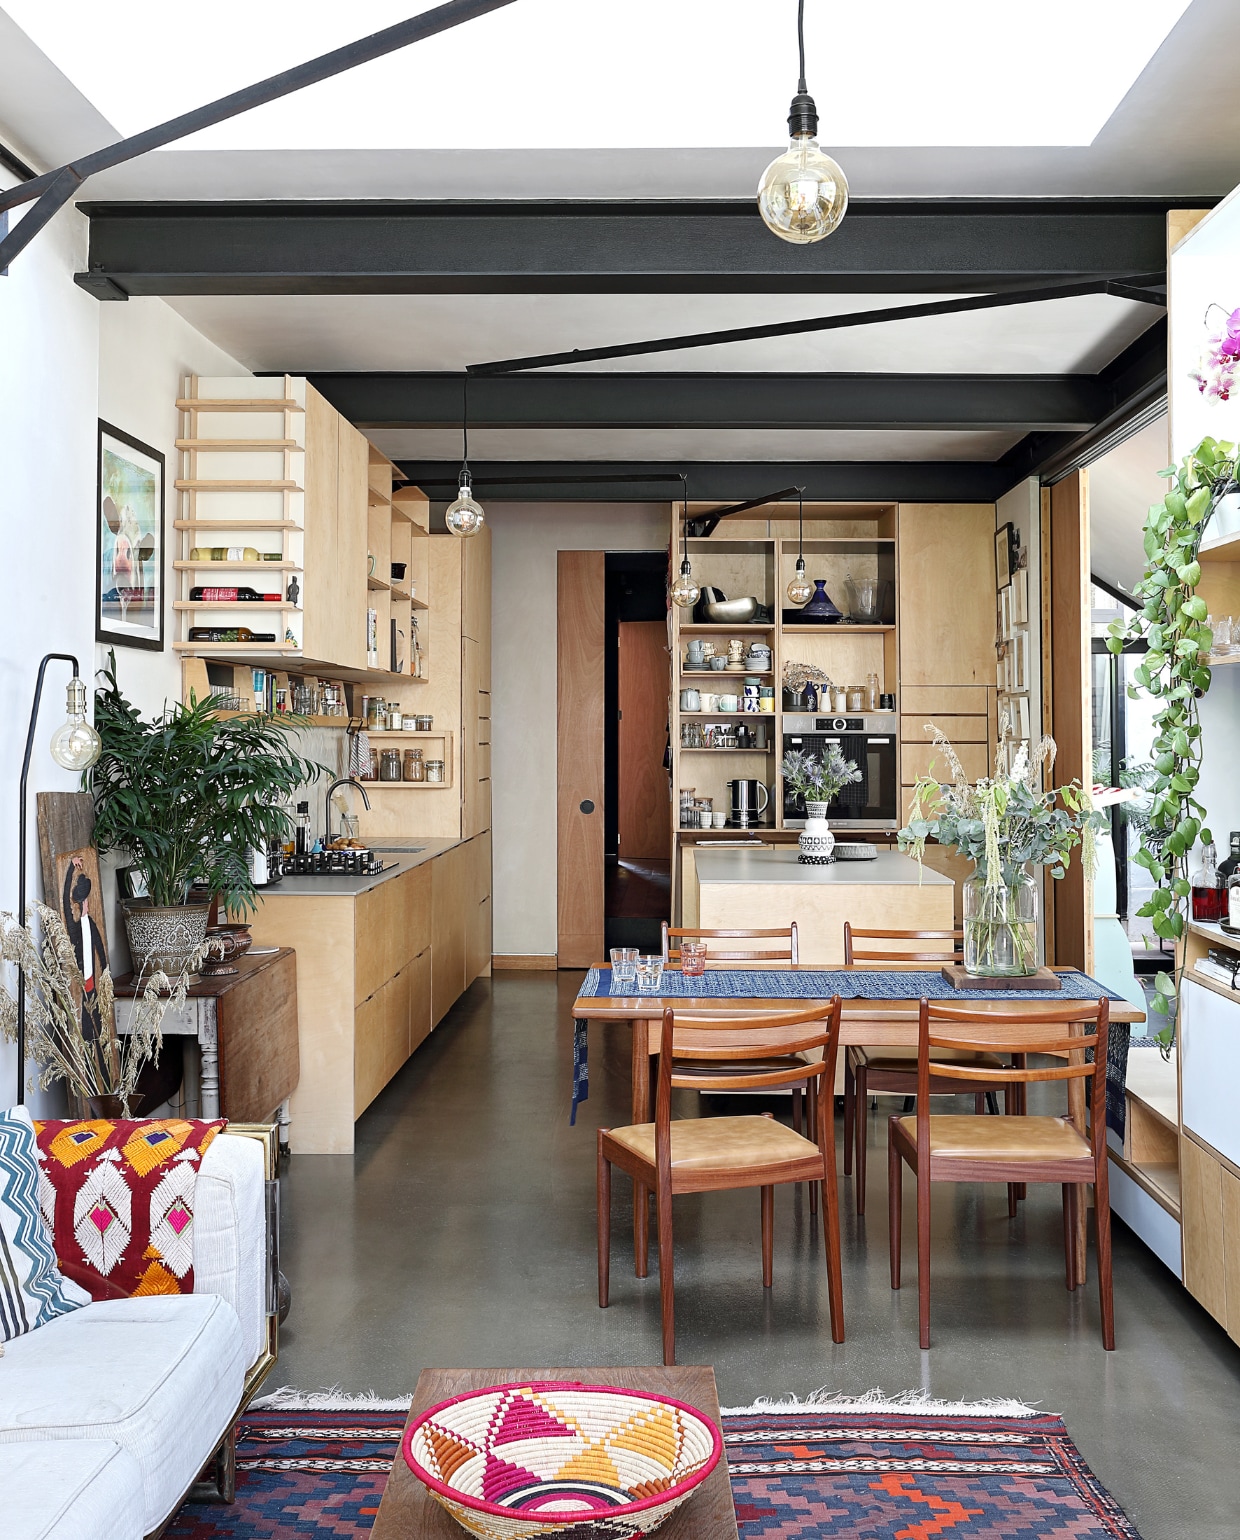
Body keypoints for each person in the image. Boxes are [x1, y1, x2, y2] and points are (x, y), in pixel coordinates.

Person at [62, 856, 111, 1081]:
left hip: (94, 988)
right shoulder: (73, 928)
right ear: (80, 903)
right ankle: (91, 1079)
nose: (88, 904)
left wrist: (107, 972)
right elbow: (63, 901)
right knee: (88, 1035)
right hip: (82, 990)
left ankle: (106, 1076)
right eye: (85, 901)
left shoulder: (90, 923)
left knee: (101, 1033)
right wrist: (71, 868)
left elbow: (100, 947)